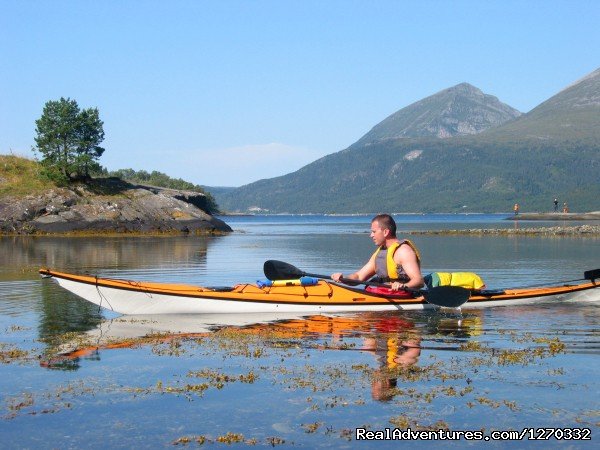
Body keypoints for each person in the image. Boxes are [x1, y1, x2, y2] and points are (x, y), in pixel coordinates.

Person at [331, 214, 424, 292]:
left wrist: (403, 286)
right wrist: (343, 278)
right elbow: (359, 277)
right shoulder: (380, 253)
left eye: (374, 232)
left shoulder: (404, 251)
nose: (371, 235)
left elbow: (419, 281)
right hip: (385, 294)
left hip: (403, 296)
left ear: (385, 232)